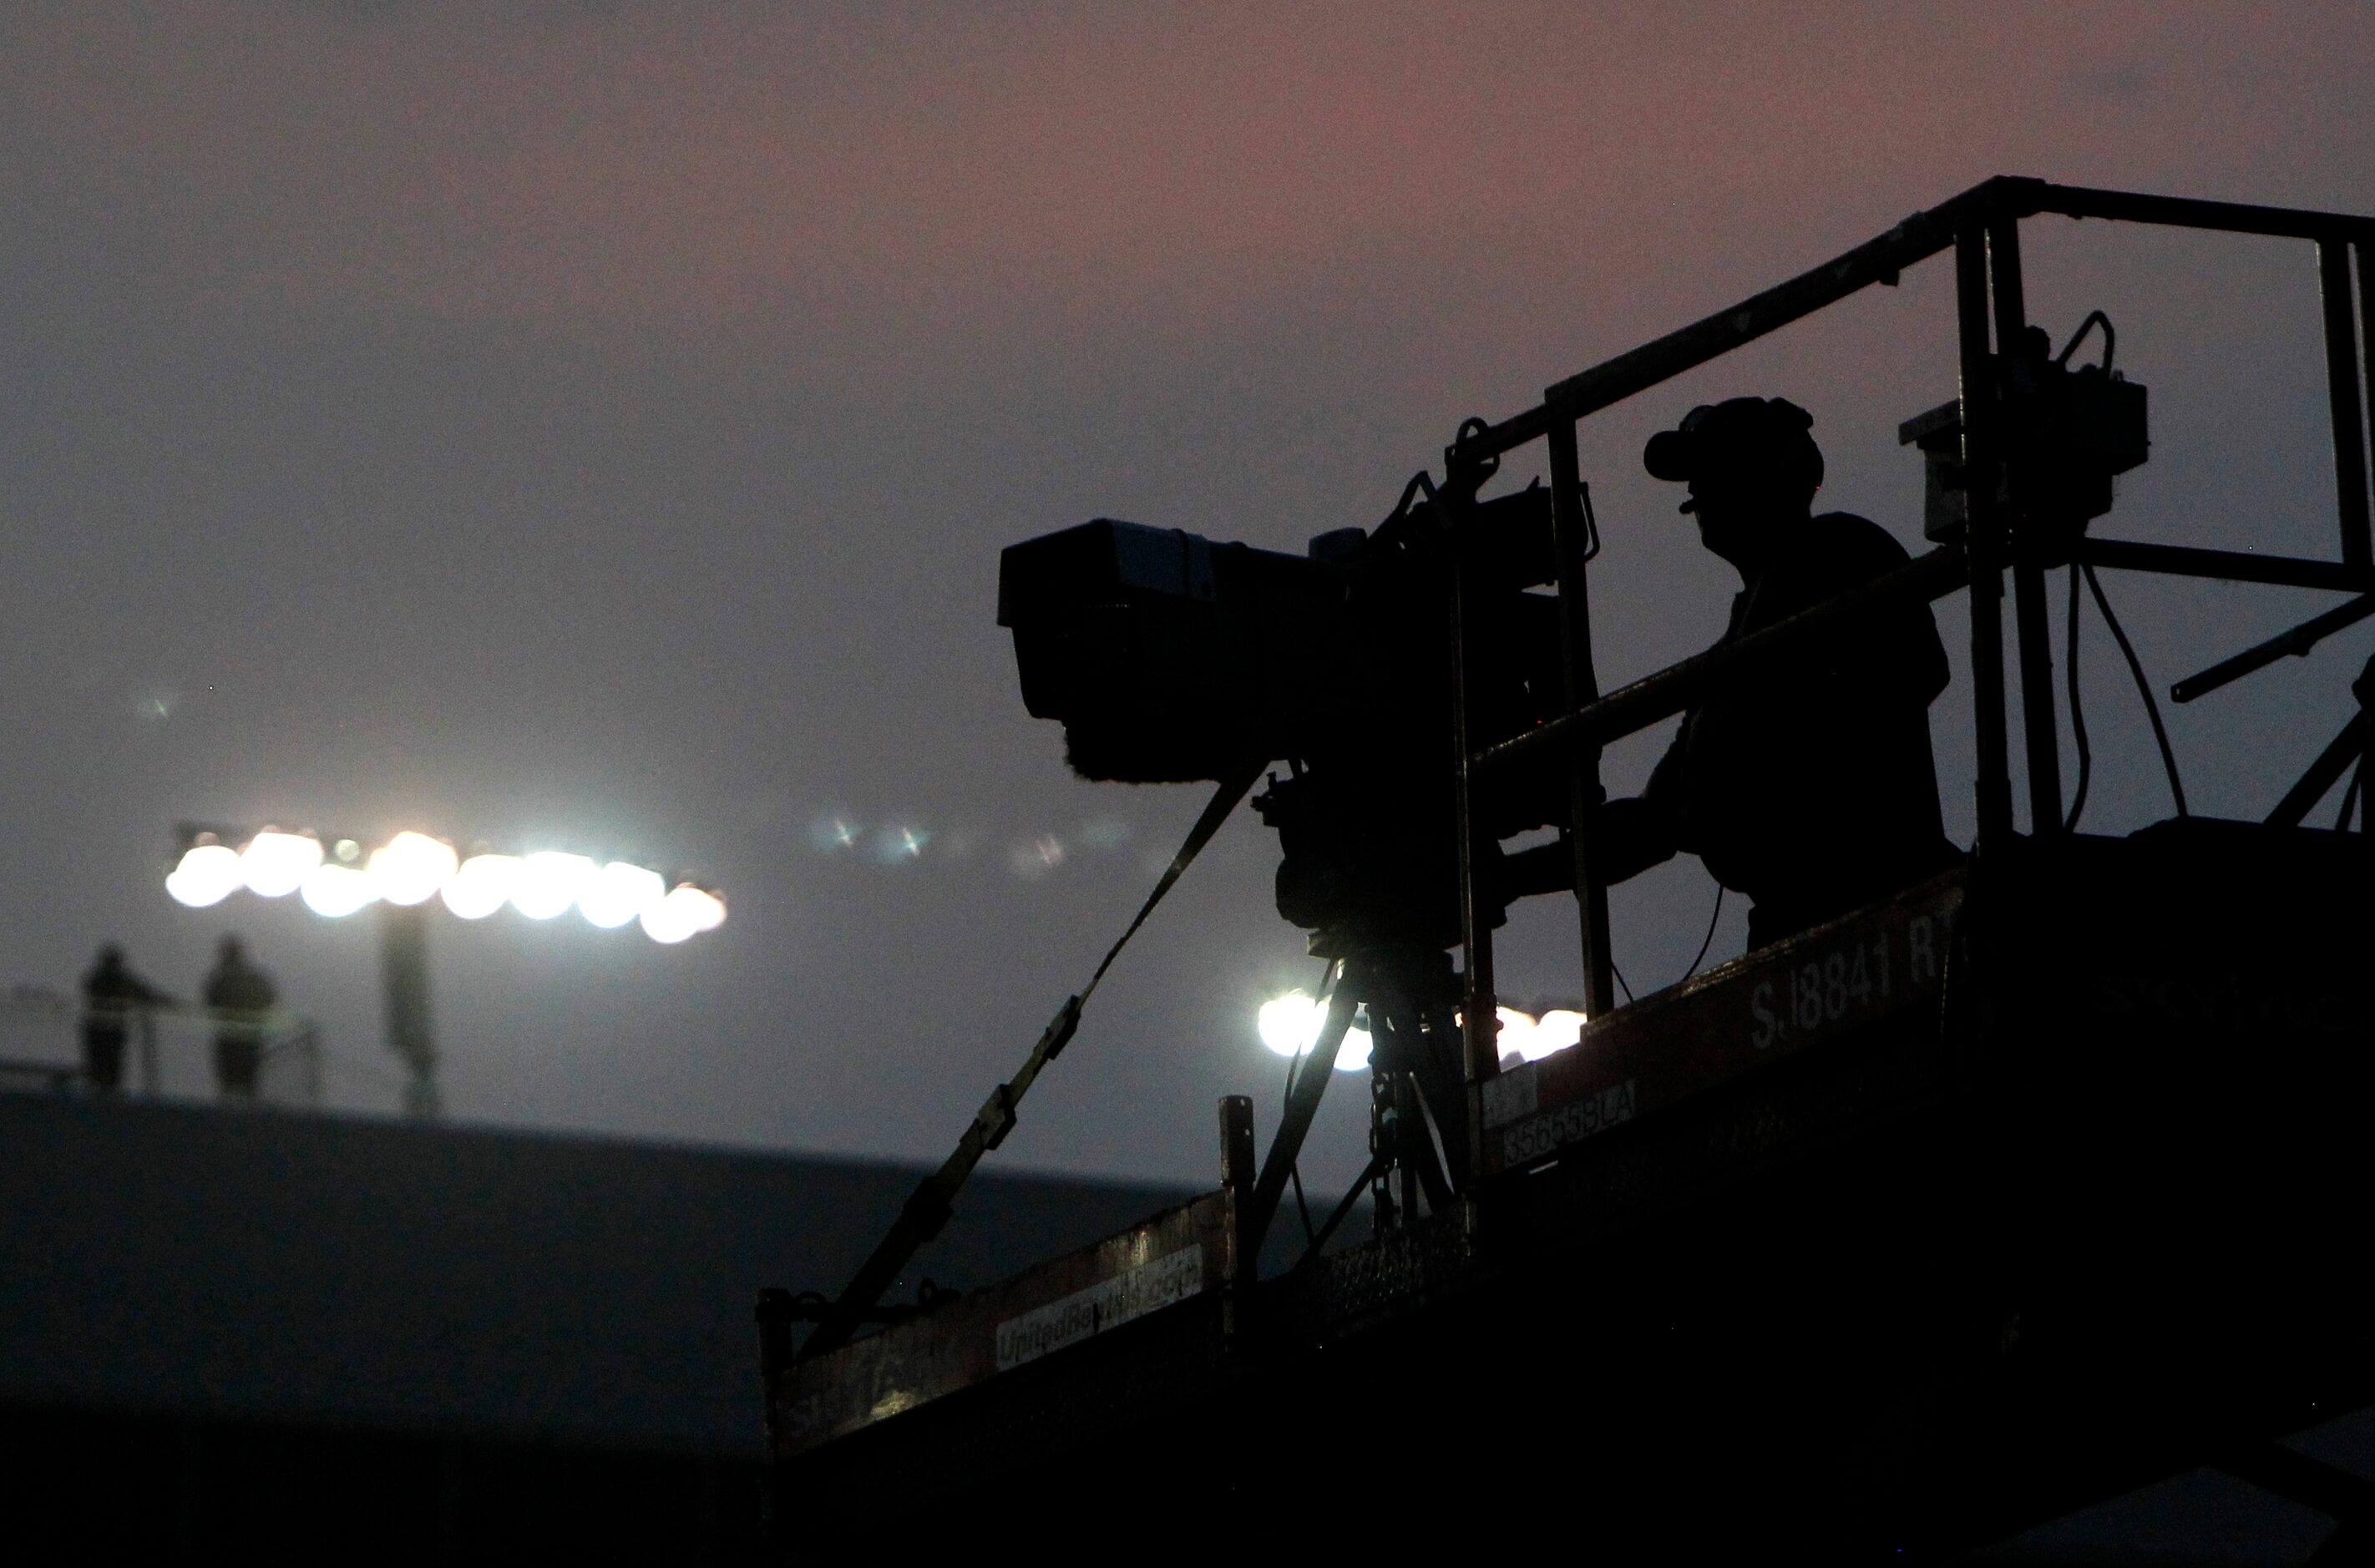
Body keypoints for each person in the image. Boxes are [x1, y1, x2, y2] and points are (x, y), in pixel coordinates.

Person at [1586, 397, 1962, 948]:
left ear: (1773, 474)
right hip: (1792, 931)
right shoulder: (1730, 656)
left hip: (1885, 907)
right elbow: (1653, 822)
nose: (1698, 489)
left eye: (1714, 469)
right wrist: (1509, 876)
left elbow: (1919, 669)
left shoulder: (1842, 548)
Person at [79, 945, 170, 1093]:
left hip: (98, 1030)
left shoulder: (95, 979)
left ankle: (101, 1096)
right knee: (110, 1071)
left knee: (98, 1071)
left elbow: (144, 993)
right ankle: (108, 1098)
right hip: (110, 1031)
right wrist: (169, 1002)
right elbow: (145, 994)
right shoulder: (120, 980)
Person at [204, 936, 277, 1101]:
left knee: (230, 1081)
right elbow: (270, 999)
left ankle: (230, 1113)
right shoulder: (256, 978)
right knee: (249, 1080)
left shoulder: (221, 978)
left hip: (229, 1037)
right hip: (251, 1036)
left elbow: (211, 1001)